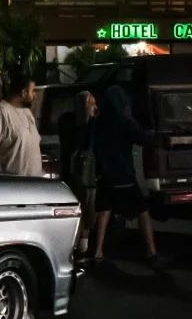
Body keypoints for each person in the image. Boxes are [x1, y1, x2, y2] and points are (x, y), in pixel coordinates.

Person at [91, 84, 168, 269]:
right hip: (125, 177)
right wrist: (163, 137)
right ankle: (151, 252)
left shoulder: (98, 122)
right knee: (143, 212)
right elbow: (145, 139)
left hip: (105, 176)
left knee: (104, 212)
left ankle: (97, 252)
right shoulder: (126, 121)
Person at [58, 90, 97, 254]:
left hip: (76, 173)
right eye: (91, 104)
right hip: (81, 174)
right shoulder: (80, 124)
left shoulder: (69, 121)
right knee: (84, 206)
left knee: (84, 206)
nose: (95, 108)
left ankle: (80, 244)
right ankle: (80, 244)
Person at [0, 73, 44, 176]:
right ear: (24, 93)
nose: (35, 95)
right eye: (32, 91)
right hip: (15, 182)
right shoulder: (0, 112)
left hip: (36, 182)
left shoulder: (27, 112)